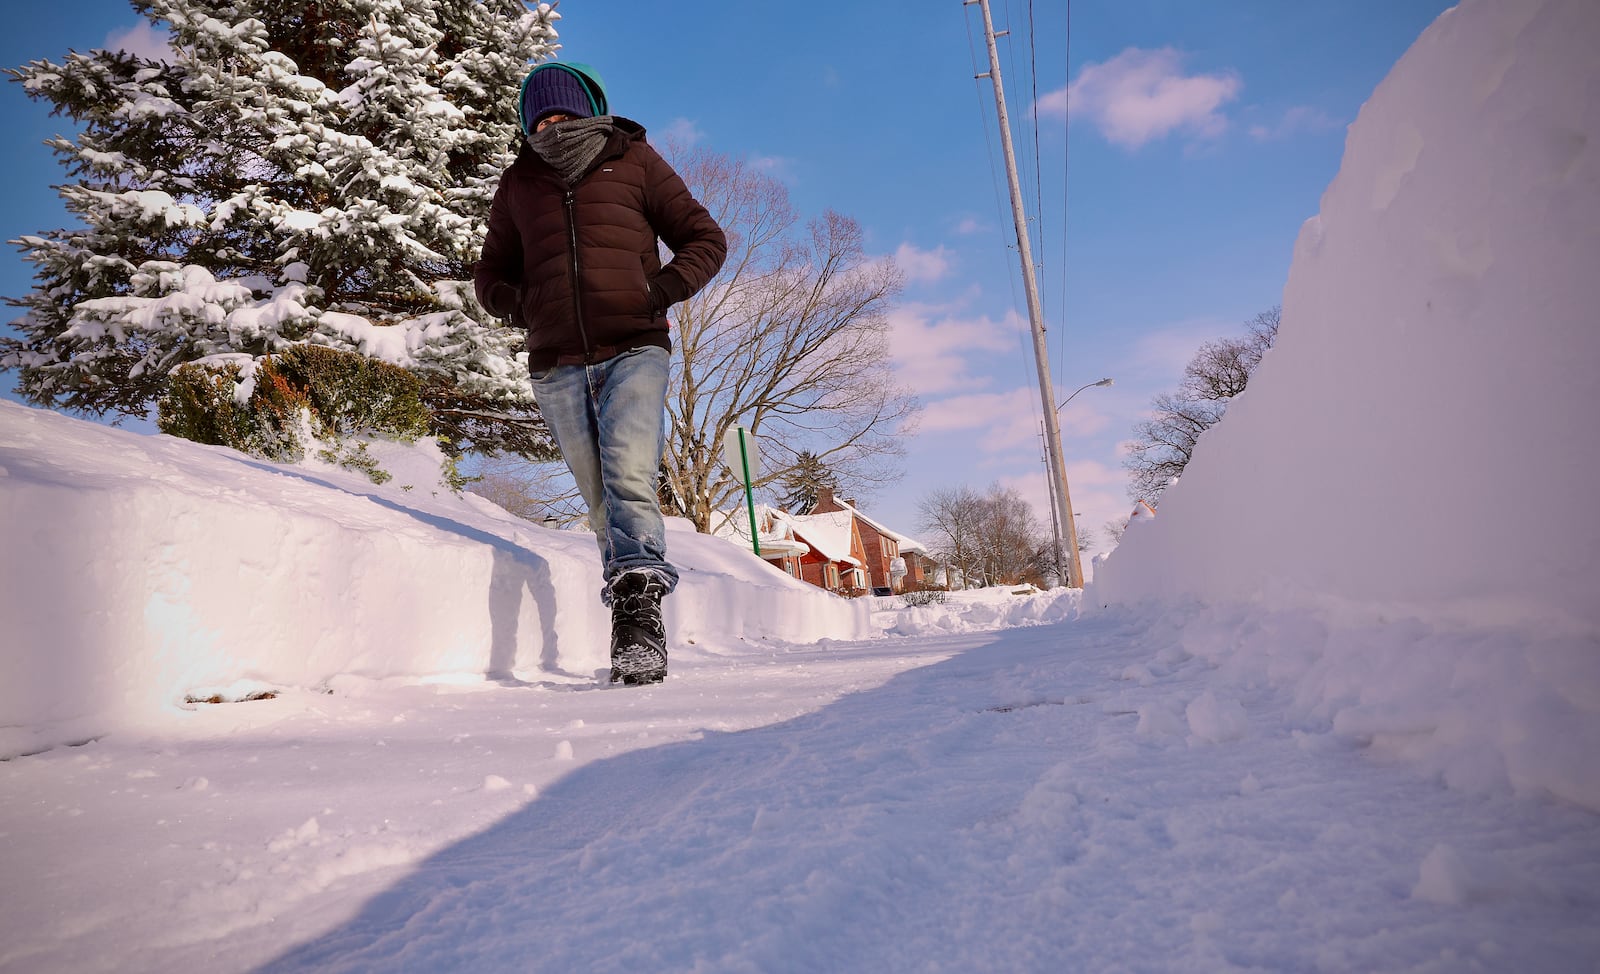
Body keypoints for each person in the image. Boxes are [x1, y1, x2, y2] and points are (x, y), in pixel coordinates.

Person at [474, 62, 727, 685]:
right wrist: (521, 302)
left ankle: (639, 624)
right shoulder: (518, 184)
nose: (554, 127)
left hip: (635, 346)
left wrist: (661, 290)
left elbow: (705, 237)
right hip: (556, 363)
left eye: (564, 115)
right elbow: (490, 275)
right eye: (542, 120)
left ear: (591, 111)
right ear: (528, 125)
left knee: (630, 475)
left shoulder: (634, 160)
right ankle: (630, 600)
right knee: (599, 499)